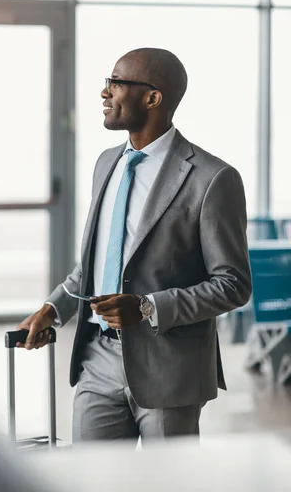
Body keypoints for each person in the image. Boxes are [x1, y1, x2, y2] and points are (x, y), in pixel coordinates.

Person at [16, 47, 252, 442]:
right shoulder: (106, 163)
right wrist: (54, 307)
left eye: (115, 82)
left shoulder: (213, 178)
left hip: (169, 369)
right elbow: (94, 264)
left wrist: (146, 308)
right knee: (91, 481)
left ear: (152, 97)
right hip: (97, 359)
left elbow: (232, 285)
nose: (105, 92)